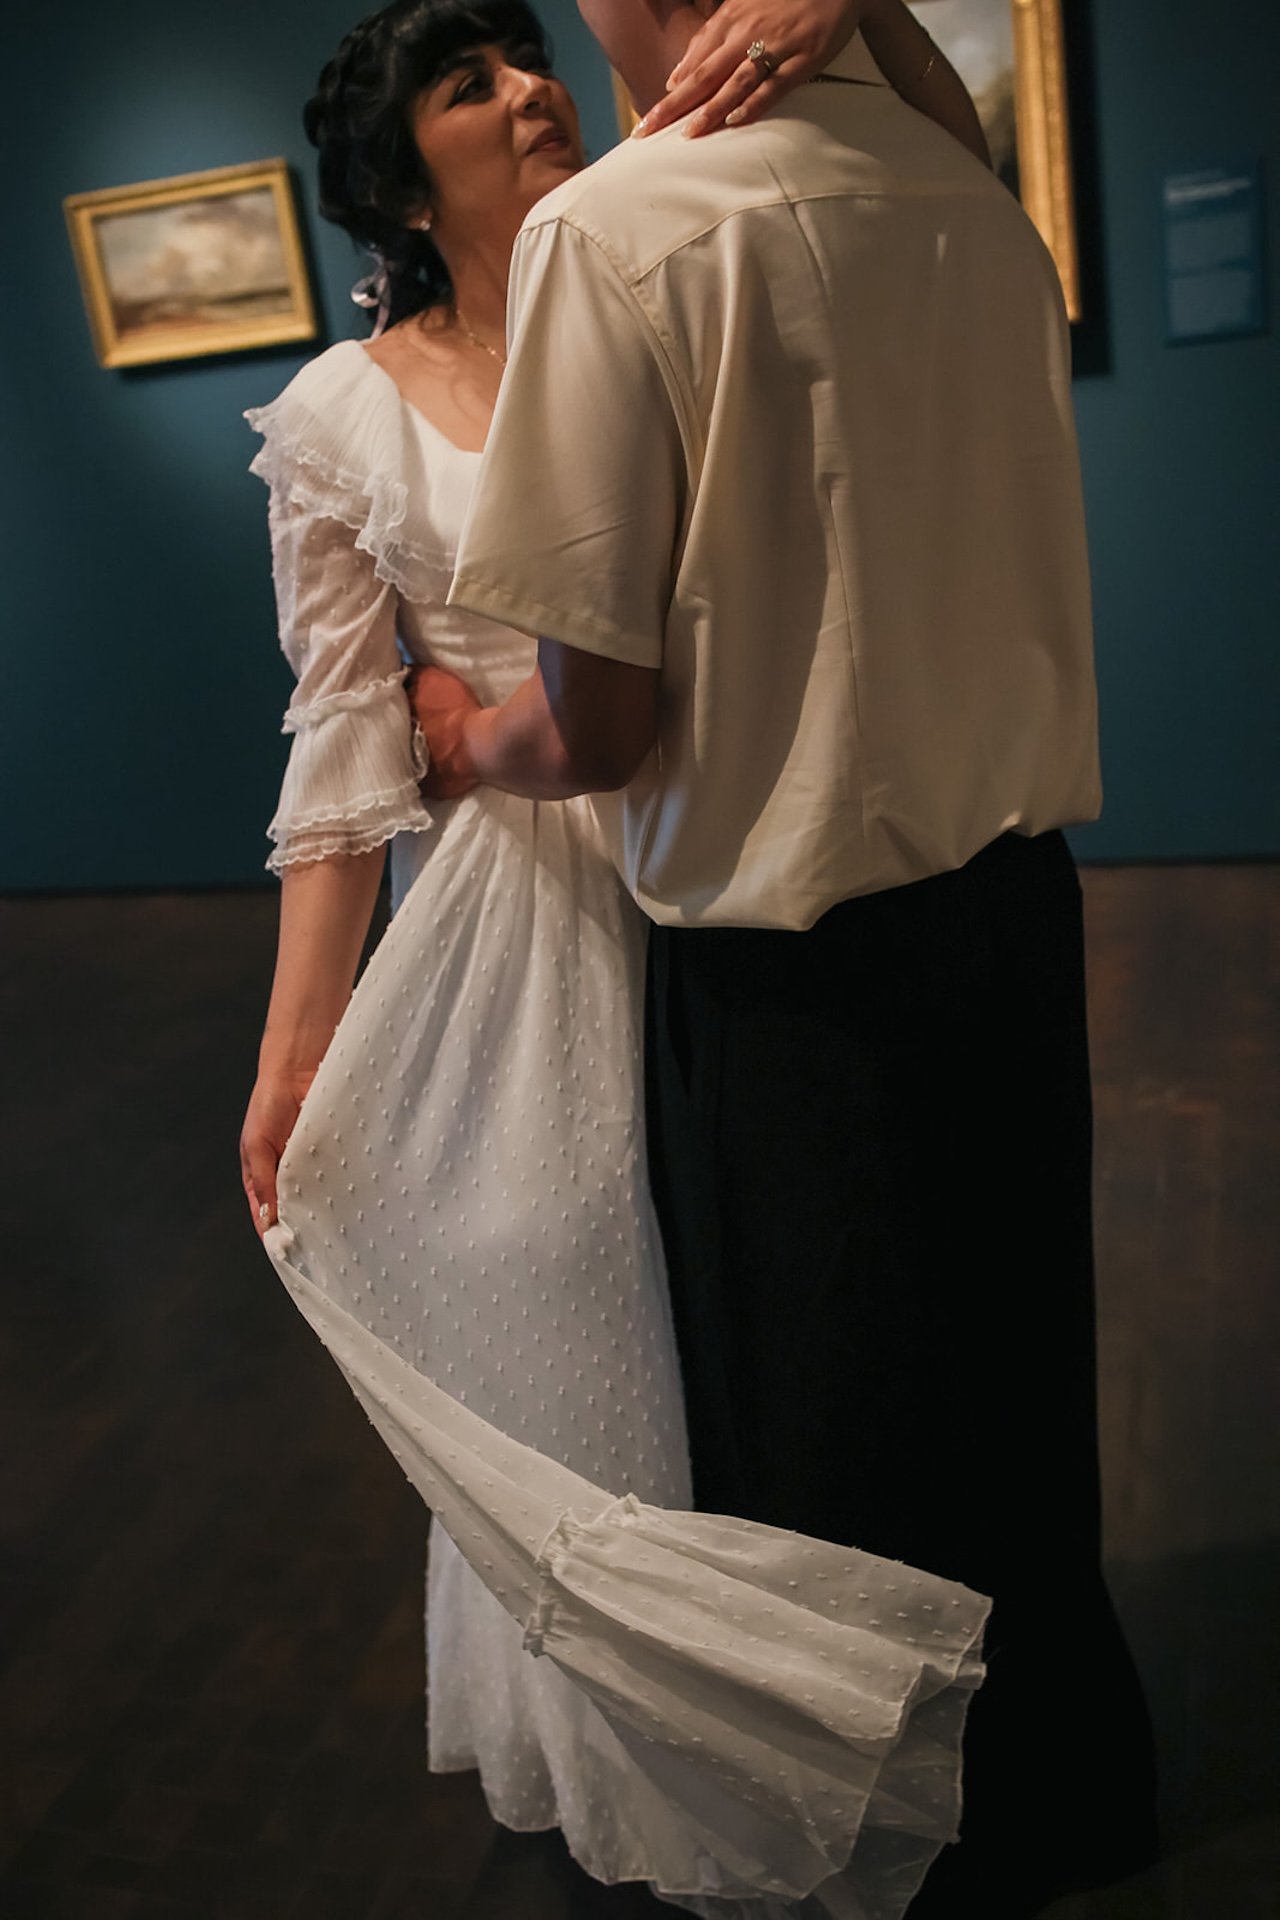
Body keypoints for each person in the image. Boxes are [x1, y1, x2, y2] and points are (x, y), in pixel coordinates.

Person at [241, 1, 1004, 1910]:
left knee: (757, 1320)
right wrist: (292, 1052)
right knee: (570, 1321)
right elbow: (343, 760)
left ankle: (826, 1723)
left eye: (525, 56)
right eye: (470, 84)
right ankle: (660, 1745)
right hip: (521, 922)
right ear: (398, 178)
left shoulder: (647, 274)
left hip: (726, 850)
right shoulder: (345, 413)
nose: (529, 92)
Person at [411, 0, 1160, 1913]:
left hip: (790, 975)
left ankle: (884, 1859)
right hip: (1009, 915)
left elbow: (595, 725)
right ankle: (1061, 1807)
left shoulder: (623, 230)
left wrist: (452, 734)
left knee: (824, 1456)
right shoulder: (972, 204)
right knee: (1015, 1394)